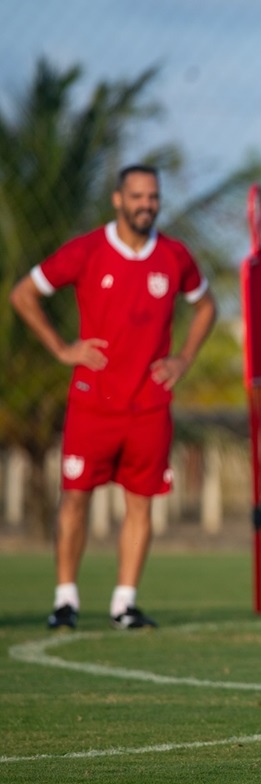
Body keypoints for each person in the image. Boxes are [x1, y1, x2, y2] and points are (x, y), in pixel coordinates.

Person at [9, 164, 217, 631]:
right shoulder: (86, 251)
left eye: (154, 197)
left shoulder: (174, 256)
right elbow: (23, 294)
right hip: (92, 402)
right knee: (76, 498)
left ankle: (125, 603)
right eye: (138, 196)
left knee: (140, 503)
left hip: (149, 406)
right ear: (118, 200)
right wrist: (64, 349)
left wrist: (183, 359)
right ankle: (66, 600)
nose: (147, 204)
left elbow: (206, 306)